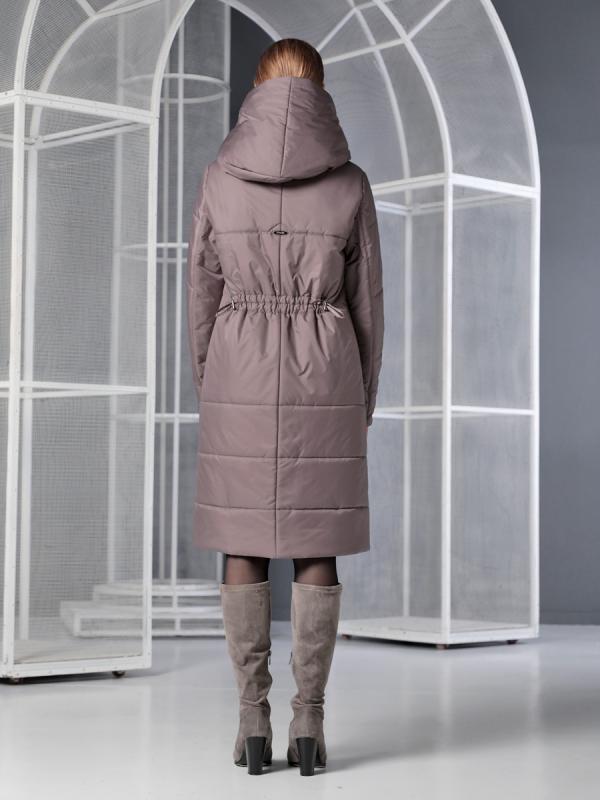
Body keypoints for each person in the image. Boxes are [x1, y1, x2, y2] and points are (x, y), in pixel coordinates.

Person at [186, 38, 384, 776]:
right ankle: (309, 721)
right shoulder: (351, 182)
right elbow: (368, 306)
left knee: (242, 543)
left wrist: (212, 385)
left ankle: (251, 721)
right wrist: (361, 400)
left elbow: (201, 296)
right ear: (319, 92)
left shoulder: (218, 177)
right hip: (326, 369)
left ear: (258, 90)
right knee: (315, 543)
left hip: (237, 364)